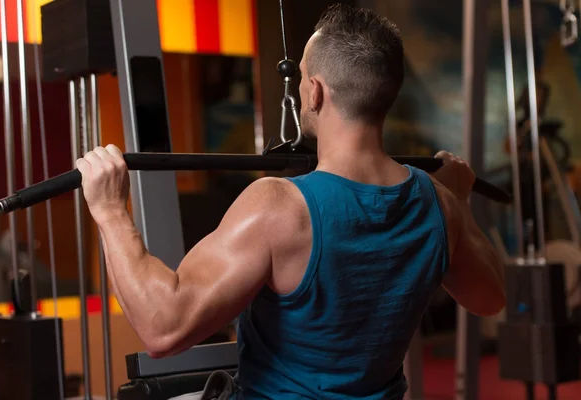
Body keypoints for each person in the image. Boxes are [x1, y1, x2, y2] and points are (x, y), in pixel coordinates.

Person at [76, 4, 505, 400]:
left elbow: (163, 327)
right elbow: (491, 298)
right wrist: (460, 199)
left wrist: (111, 211)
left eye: (300, 77)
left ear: (315, 92)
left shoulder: (279, 207)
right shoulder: (439, 205)